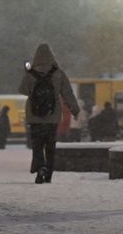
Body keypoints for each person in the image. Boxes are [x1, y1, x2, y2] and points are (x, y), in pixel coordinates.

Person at [20, 43, 80, 185]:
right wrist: (75, 110)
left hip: (34, 117)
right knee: (50, 146)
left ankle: (40, 168)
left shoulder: (30, 74)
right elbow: (67, 94)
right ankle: (49, 172)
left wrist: (29, 78)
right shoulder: (58, 73)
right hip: (52, 116)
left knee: (37, 145)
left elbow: (22, 90)